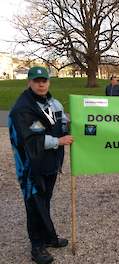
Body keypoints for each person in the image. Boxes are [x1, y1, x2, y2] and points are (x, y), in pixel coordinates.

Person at [8, 66, 73, 264]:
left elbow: (62, 124)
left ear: (49, 82)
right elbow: (30, 140)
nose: (41, 84)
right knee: (34, 205)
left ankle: (48, 237)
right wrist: (59, 142)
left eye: (44, 80)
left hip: (50, 164)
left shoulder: (54, 103)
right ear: (29, 82)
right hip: (31, 167)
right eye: (37, 80)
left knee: (44, 201)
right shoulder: (22, 108)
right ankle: (37, 247)